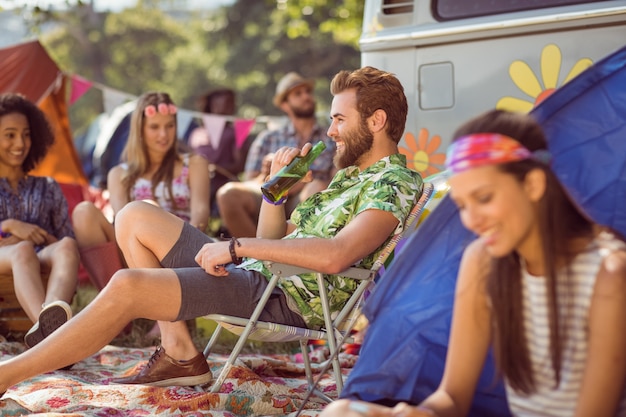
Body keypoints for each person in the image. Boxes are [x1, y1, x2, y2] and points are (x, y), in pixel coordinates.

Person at [0, 66, 422, 393]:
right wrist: (275, 193)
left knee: (129, 285)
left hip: (281, 297)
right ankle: (180, 352)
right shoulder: (349, 179)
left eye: (339, 120)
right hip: (260, 276)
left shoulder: (393, 183)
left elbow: (336, 255)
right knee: (133, 214)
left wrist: (236, 248)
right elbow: (279, 240)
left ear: (376, 121)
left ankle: (9, 374)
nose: (330, 131)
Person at [320, 110, 626, 417]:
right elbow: (453, 397)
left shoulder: (608, 274)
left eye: (484, 198)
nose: (471, 220)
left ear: (533, 184)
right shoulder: (483, 261)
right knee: (342, 411)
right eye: (463, 205)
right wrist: (418, 413)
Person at [71, 92, 211, 290]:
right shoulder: (119, 173)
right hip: (134, 250)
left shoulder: (194, 163)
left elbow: (201, 215)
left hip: (182, 249)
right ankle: (117, 298)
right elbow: (122, 227)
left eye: (169, 126)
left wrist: (184, 250)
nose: (164, 134)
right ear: (140, 129)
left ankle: (162, 301)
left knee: (146, 209)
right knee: (83, 212)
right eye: (155, 127)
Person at [0, 93, 79, 349]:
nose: (20, 143)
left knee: (67, 245)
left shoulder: (47, 186)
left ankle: (48, 321)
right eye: (10, 134)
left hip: (41, 255)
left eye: (26, 134)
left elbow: (65, 237)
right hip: (5, 258)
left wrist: (43, 237)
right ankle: (54, 343)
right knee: (21, 250)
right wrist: (9, 226)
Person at [216, 71, 336, 237]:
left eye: (308, 91)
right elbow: (250, 181)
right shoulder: (267, 138)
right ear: (284, 105)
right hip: (270, 195)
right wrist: (271, 174)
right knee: (227, 194)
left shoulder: (331, 137)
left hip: (307, 198)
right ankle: (255, 255)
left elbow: (337, 180)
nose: (306, 96)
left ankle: (289, 254)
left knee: (317, 188)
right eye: (297, 94)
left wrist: (303, 181)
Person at [187, 88, 245, 209]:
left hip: (223, 186)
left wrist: (215, 169)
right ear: (213, 105)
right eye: (227, 102)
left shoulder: (237, 131)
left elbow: (240, 165)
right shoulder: (197, 133)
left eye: (232, 103)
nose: (231, 106)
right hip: (194, 184)